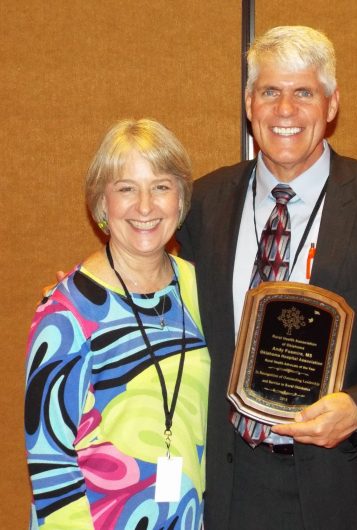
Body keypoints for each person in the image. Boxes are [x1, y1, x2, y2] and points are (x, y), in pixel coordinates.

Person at [177, 26, 357, 529]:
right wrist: (88, 290)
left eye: (304, 93)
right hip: (229, 483)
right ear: (249, 104)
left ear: (332, 104)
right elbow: (158, 290)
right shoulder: (203, 203)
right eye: (270, 91)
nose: (285, 110)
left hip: (345, 485)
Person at [25, 119, 211, 529]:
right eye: (126, 188)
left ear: (181, 199)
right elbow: (50, 464)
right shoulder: (67, 313)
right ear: (101, 203)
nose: (145, 207)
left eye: (160, 187)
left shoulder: (201, 291)